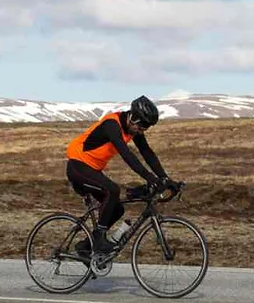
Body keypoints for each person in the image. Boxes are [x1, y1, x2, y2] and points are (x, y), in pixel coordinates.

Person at [66, 95, 177, 255]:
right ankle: (99, 240)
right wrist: (150, 178)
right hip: (77, 166)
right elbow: (127, 155)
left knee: (117, 209)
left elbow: (147, 152)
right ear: (133, 118)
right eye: (140, 128)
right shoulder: (112, 124)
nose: (141, 131)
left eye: (145, 129)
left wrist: (165, 178)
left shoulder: (133, 127)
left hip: (92, 169)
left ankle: (85, 246)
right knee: (112, 190)